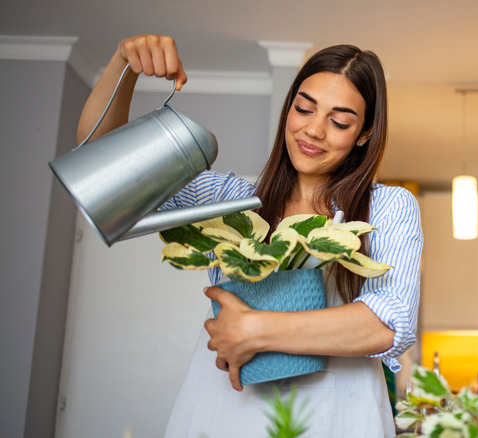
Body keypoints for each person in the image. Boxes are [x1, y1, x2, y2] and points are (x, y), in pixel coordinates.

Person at [77, 34, 422, 437]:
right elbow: (102, 167)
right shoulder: (231, 200)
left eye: (339, 121)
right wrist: (123, 65)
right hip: (222, 408)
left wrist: (254, 329)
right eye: (304, 109)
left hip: (336, 415)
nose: (313, 130)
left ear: (364, 133)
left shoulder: (388, 207)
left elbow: (388, 324)